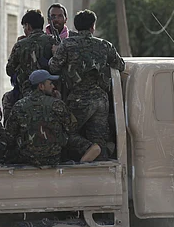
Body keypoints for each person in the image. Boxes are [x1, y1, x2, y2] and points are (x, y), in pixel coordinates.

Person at [49, 9, 125, 157]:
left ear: (76, 26)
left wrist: (54, 53)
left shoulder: (67, 44)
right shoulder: (105, 45)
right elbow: (120, 65)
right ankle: (99, 167)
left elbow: (53, 68)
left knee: (65, 133)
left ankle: (87, 149)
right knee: (99, 138)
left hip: (78, 99)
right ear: (93, 27)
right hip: (101, 100)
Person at [6, 70, 101, 166]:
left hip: (27, 159)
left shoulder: (19, 106)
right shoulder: (56, 104)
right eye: (50, 83)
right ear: (41, 86)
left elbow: (10, 135)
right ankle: (81, 167)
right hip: (53, 159)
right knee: (91, 146)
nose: (53, 86)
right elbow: (72, 127)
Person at [6, 10, 57, 96]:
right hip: (49, 93)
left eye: (24, 27)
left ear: (28, 26)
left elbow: (9, 70)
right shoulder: (53, 41)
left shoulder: (20, 44)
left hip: (25, 93)